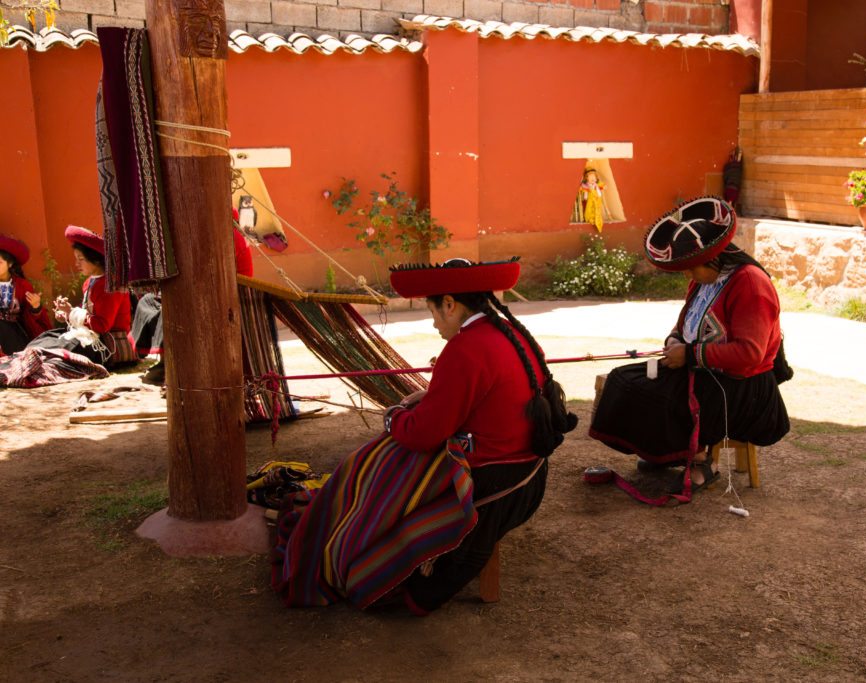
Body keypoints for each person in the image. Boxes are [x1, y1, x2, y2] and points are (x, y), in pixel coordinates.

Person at [271, 258, 576, 614]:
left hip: (491, 488)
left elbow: (421, 435)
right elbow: (492, 400)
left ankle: (344, 546)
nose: (433, 323)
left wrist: (394, 416)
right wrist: (431, 397)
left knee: (371, 468)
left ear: (449, 303)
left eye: (433, 311)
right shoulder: (513, 334)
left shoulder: (466, 349)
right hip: (529, 478)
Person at [589, 196, 791, 496]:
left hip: (743, 389)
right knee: (625, 380)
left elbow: (750, 354)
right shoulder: (703, 279)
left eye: (691, 268)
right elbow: (686, 323)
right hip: (707, 372)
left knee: (662, 399)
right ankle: (665, 452)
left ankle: (701, 463)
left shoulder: (750, 284)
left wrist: (691, 354)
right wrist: (674, 340)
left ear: (713, 259)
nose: (687, 275)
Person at [0, 225, 136, 387]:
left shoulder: (110, 286)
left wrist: (69, 312)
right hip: (89, 336)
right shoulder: (90, 282)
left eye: (81, 259)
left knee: (53, 350)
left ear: (96, 260)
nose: (77, 264)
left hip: (108, 345)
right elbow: (86, 312)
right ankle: (18, 364)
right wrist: (66, 313)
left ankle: (24, 369)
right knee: (44, 340)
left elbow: (101, 325)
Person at [133, 211, 254, 384]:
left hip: (227, 300)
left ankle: (173, 365)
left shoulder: (226, 236)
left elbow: (209, 276)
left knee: (173, 304)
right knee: (149, 300)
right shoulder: (221, 232)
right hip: (211, 294)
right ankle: (165, 361)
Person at [0, 235, 51, 356]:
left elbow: (29, 316)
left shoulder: (22, 286)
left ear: (10, 264)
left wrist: (36, 306)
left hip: (14, 335)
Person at [576, 167, 606, 232]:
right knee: (588, 210)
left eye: (594, 176)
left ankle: (596, 219)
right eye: (590, 176)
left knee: (596, 210)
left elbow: (603, 186)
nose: (592, 178)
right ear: (587, 178)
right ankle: (589, 218)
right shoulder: (585, 186)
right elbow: (582, 190)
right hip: (588, 201)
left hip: (597, 202)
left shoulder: (597, 185)